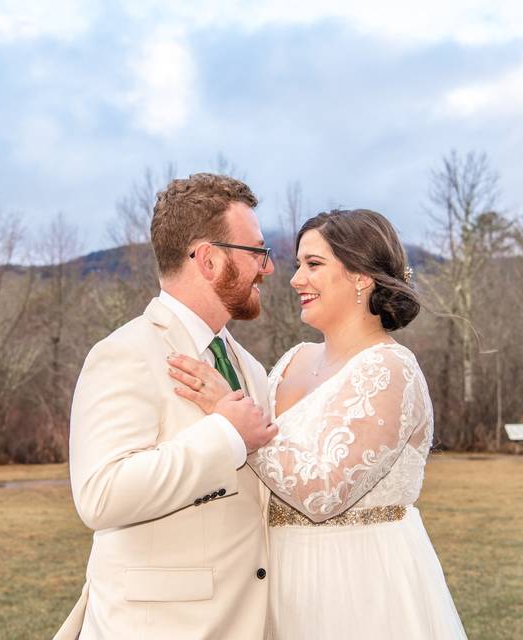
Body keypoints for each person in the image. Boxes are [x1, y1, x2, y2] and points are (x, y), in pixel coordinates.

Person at [169, 209, 468, 639]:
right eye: (297, 266)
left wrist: (236, 425)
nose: (295, 279)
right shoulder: (292, 360)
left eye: (313, 264)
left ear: (362, 276)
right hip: (274, 581)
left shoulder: (390, 368)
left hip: (359, 584)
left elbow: (324, 492)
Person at [54, 173, 278, 640]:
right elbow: (101, 495)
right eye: (257, 252)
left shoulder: (251, 367)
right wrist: (225, 436)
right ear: (210, 260)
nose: (268, 268)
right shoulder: (124, 353)